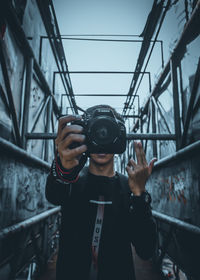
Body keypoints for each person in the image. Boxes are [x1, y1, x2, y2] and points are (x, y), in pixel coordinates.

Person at [45, 105, 157, 280]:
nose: (102, 137)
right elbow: (54, 195)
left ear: (120, 137)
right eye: (95, 131)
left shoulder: (129, 186)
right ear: (83, 135)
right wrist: (63, 168)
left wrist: (139, 195)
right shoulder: (71, 180)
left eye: (109, 130)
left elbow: (146, 249)